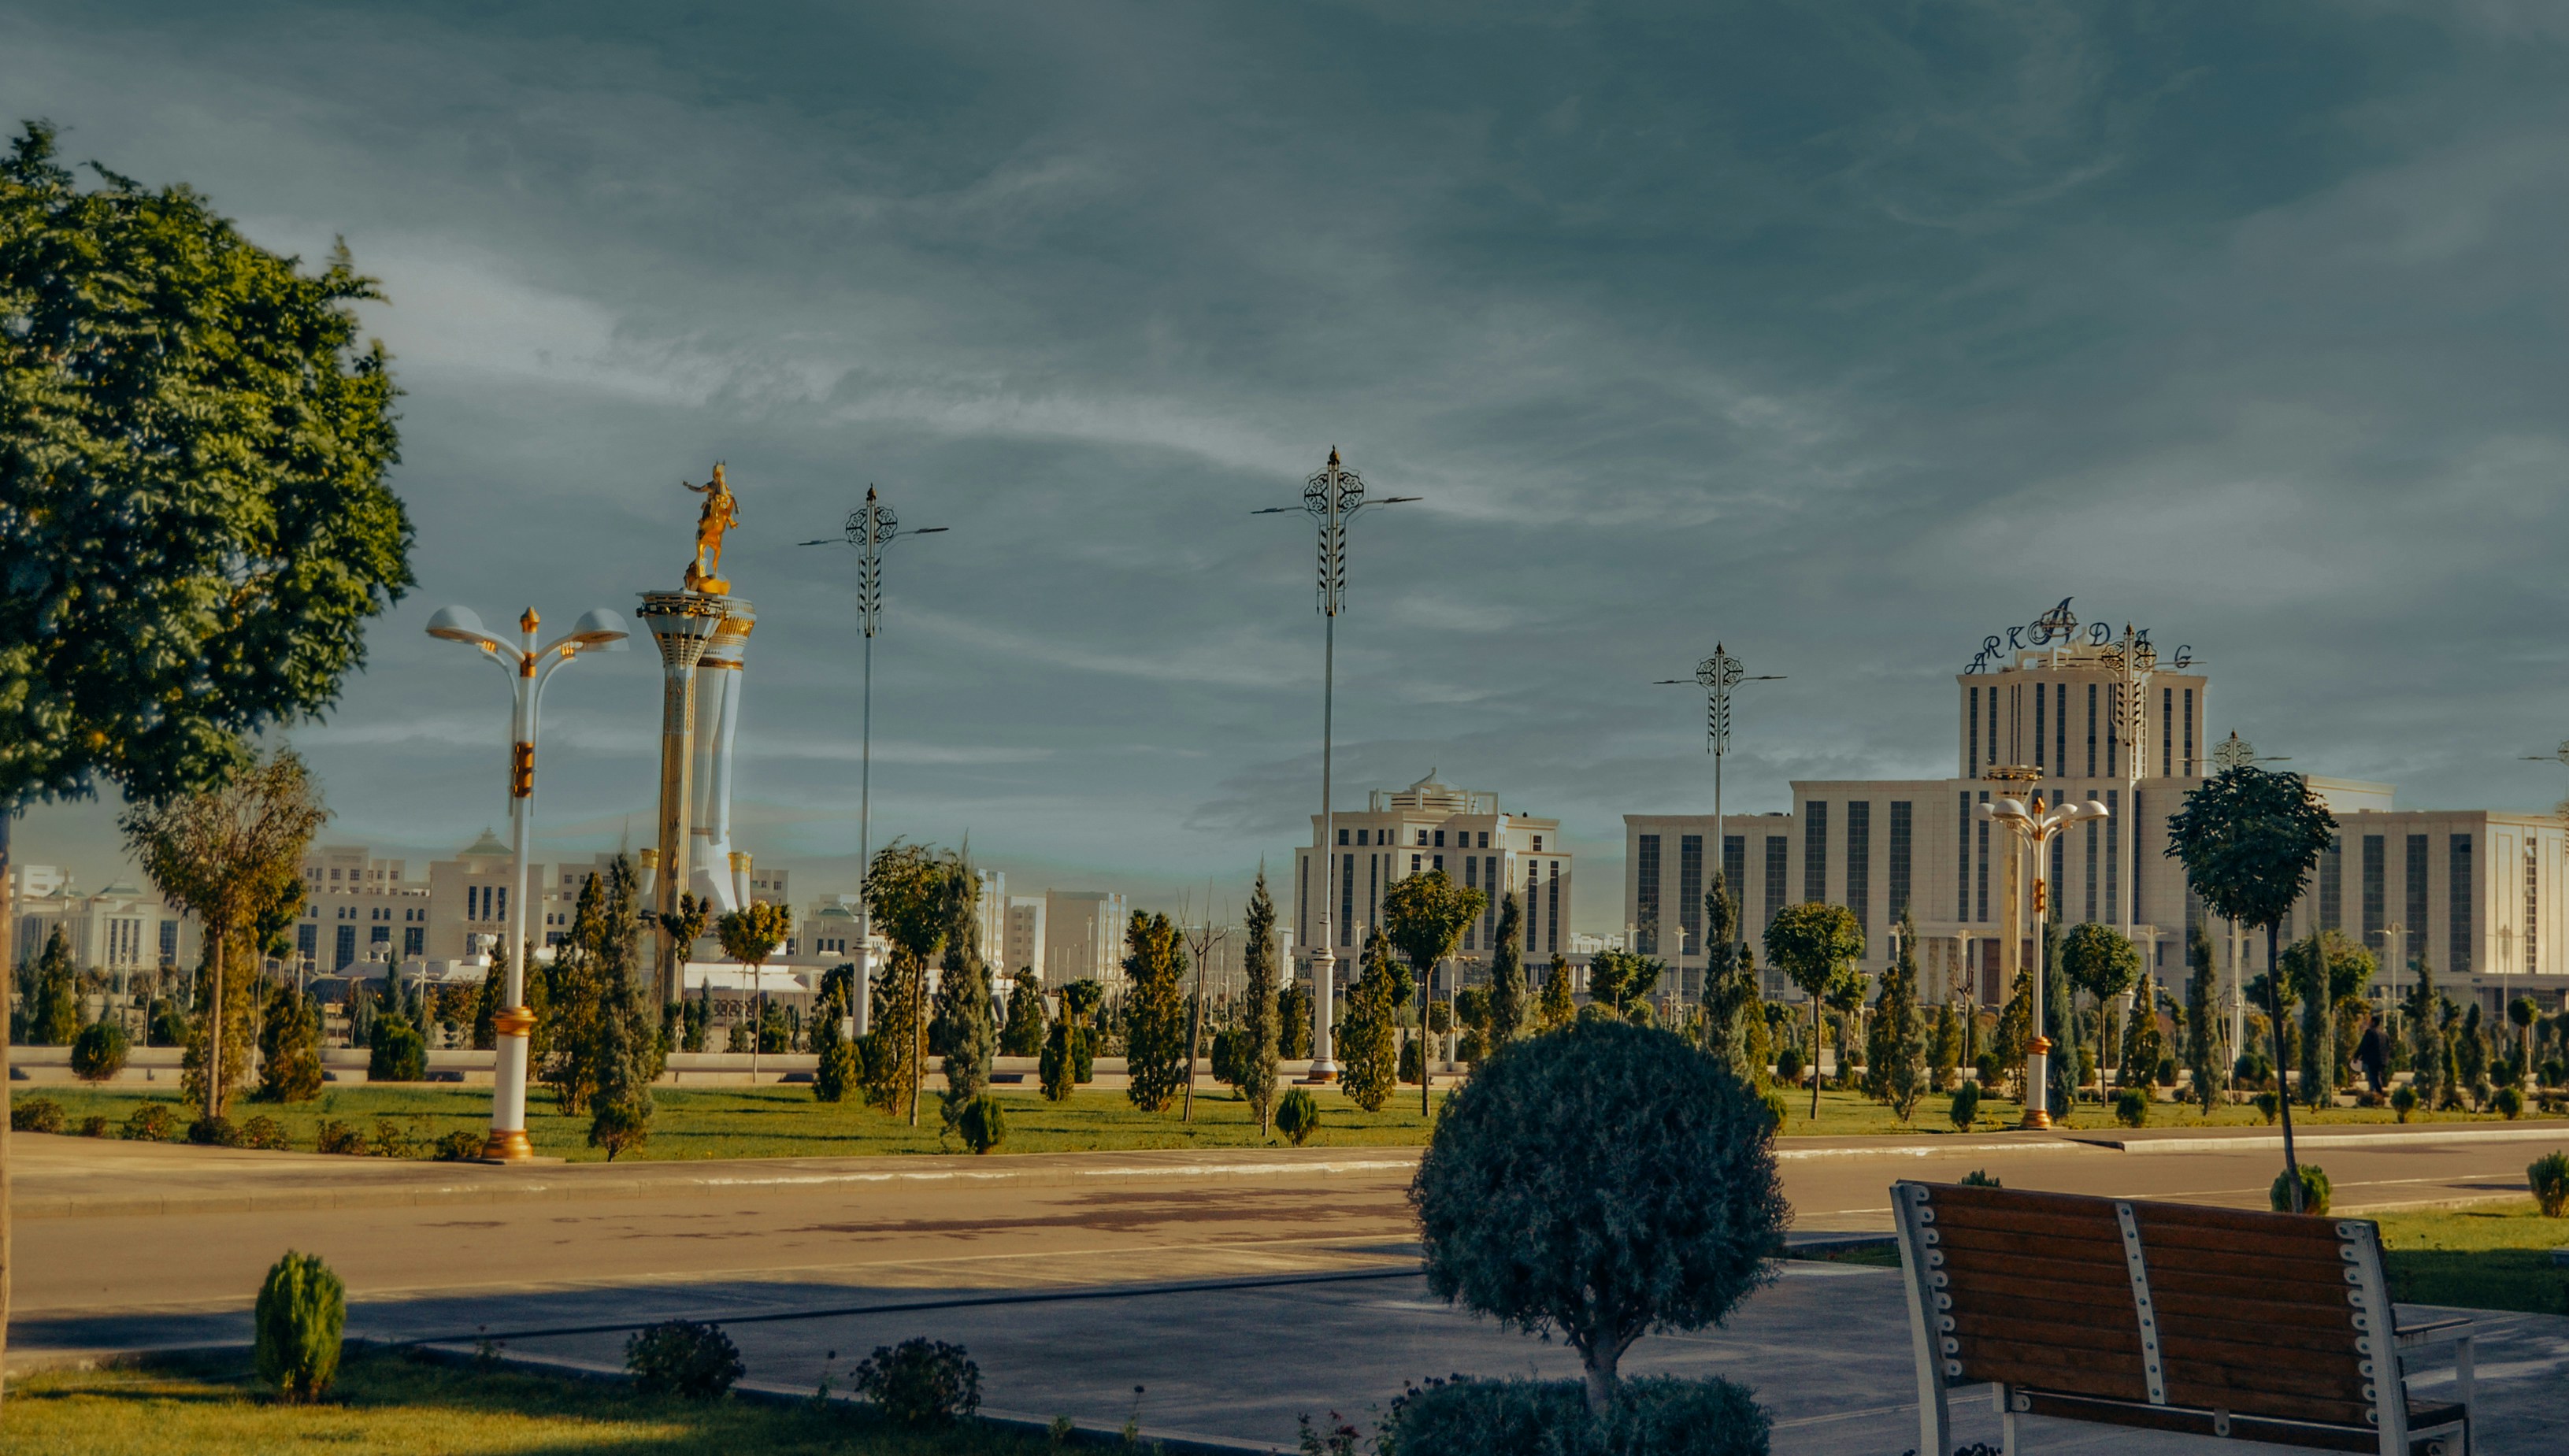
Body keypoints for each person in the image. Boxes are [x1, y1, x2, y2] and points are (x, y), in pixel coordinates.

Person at [2354, 1011, 2389, 1098]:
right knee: (2377, 1077)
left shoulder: (2370, 1033)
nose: (2368, 1023)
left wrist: (2356, 1056)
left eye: (2370, 1021)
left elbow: (2364, 1045)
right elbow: (2388, 1047)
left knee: (2373, 1078)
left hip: (2372, 1060)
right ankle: (2377, 1095)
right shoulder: (2385, 1034)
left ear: (2373, 1023)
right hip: (2383, 1060)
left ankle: (2376, 1096)